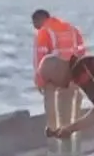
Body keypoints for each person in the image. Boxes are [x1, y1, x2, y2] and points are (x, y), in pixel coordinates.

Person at [31, 9, 89, 139]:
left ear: (39, 20)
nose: (35, 28)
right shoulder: (72, 29)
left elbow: (40, 58)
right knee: (71, 108)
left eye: (34, 24)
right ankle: (72, 143)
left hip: (53, 75)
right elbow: (81, 51)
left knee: (52, 106)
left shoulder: (44, 32)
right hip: (73, 72)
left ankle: (55, 139)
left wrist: (40, 80)